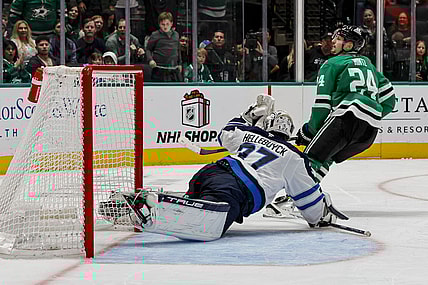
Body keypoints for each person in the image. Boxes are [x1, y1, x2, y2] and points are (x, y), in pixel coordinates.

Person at [120, 94, 348, 241]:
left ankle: (149, 202)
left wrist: (249, 114)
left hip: (211, 172)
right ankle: (150, 207)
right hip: (237, 189)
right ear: (289, 133)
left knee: (197, 202)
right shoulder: (294, 158)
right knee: (209, 227)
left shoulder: (250, 135)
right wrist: (323, 214)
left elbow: (226, 133)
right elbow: (311, 206)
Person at [295, 25, 396, 182]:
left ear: (349, 45)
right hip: (369, 131)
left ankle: (295, 200)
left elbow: (322, 105)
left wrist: (310, 130)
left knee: (311, 158)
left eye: (339, 39)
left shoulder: (331, 64)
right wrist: (369, 114)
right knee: (326, 157)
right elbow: (389, 101)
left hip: (346, 119)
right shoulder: (368, 64)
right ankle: (311, 196)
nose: (333, 41)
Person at [146, 12, 182, 81]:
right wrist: (150, 60)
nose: (165, 27)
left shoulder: (176, 35)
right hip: (159, 70)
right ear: (159, 24)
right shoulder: (155, 35)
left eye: (167, 24)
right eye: (163, 24)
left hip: (173, 69)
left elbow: (178, 50)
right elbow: (148, 49)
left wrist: (180, 63)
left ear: (171, 24)